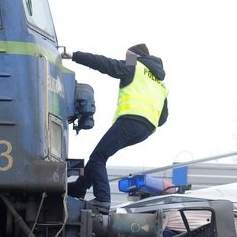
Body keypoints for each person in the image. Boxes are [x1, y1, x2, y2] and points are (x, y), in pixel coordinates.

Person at [63, 44, 168, 213]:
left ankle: (103, 199)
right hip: (145, 130)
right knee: (101, 153)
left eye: (127, 56)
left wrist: (75, 55)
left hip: (130, 121)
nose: (125, 59)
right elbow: (163, 118)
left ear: (134, 55)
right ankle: (79, 188)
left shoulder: (135, 64)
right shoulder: (160, 84)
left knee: (98, 157)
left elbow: (105, 64)